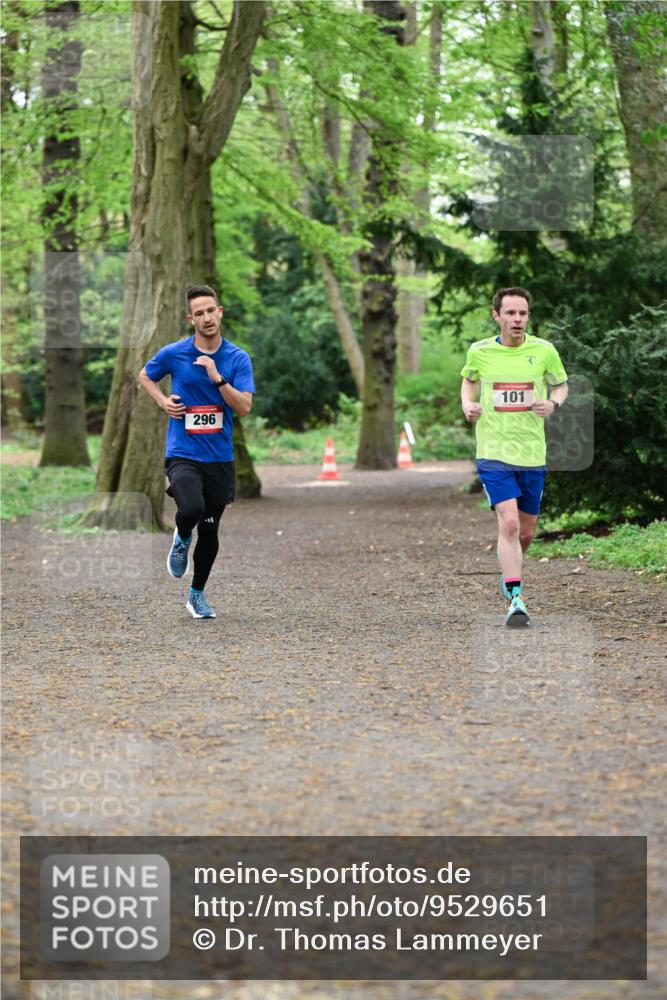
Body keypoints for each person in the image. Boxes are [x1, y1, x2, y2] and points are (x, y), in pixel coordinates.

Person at [139, 285, 255, 619]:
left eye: (210, 310)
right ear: (191, 319)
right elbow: (145, 375)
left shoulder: (236, 358)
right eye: (199, 313)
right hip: (183, 452)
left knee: (211, 527)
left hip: (219, 457)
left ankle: (197, 595)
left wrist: (218, 378)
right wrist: (162, 401)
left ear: (220, 313)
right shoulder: (176, 353)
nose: (206, 318)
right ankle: (181, 535)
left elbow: (244, 406)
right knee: (191, 507)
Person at [460, 287, 568, 626]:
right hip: (493, 452)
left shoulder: (545, 350)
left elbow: (560, 385)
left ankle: (510, 571)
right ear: (497, 316)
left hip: (532, 453)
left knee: (524, 534)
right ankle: (516, 597)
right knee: (507, 523)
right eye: (510, 313)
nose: (517, 319)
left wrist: (553, 403)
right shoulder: (479, 352)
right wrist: (469, 405)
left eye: (522, 313)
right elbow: (468, 381)